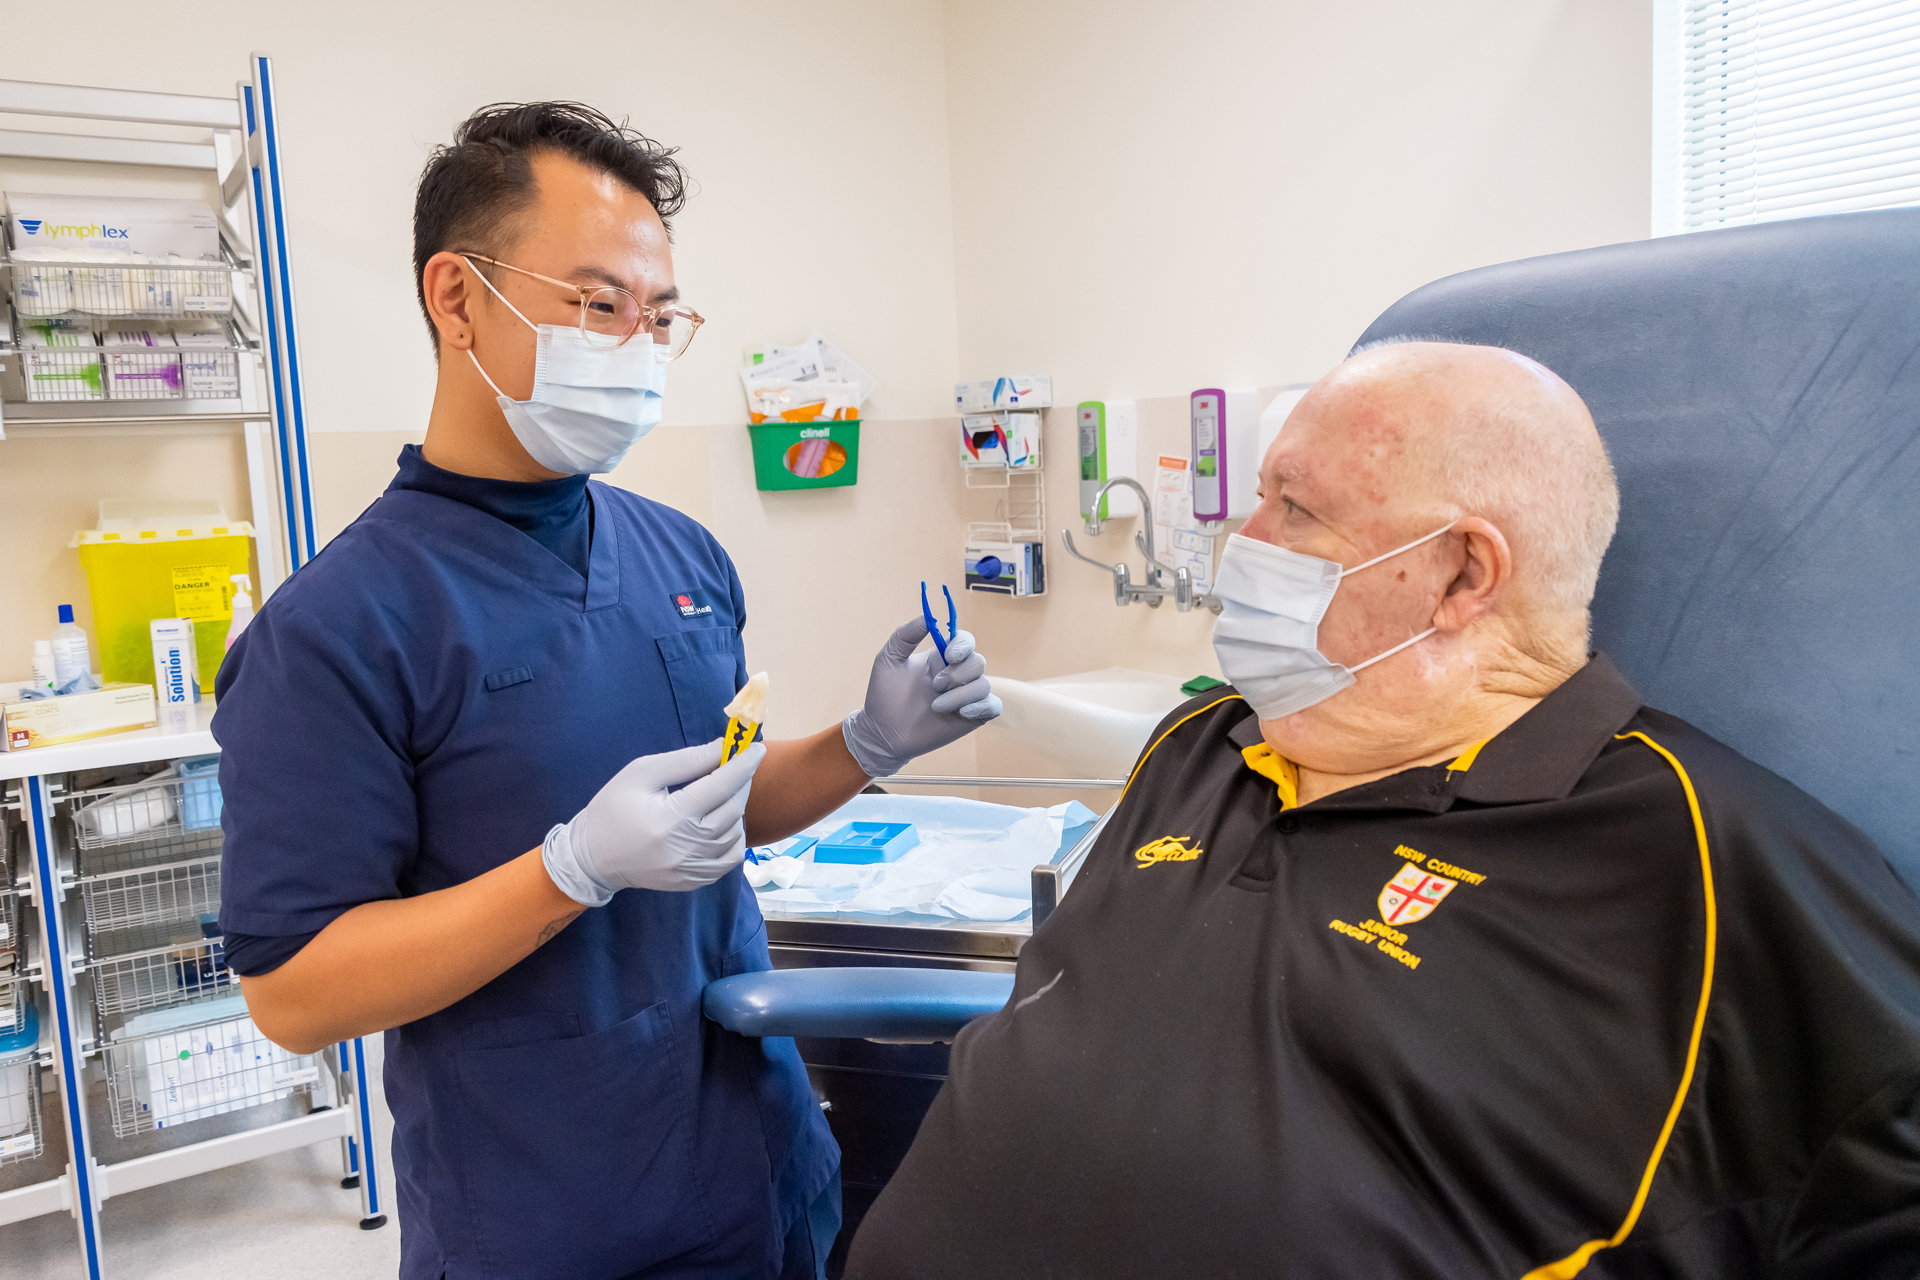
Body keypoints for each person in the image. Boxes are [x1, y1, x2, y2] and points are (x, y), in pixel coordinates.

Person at [846, 341, 1920, 1278]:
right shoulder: (1200, 747)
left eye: (1295, 508)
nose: (1242, 537)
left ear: (1460, 575)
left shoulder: (1704, 850)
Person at [214, 102, 1000, 1280]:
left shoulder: (683, 559)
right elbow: (295, 991)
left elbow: (715, 804)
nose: (635, 343)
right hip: (552, 1217)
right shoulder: (335, 630)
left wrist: (867, 742)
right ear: (456, 294)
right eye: (596, 304)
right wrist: (566, 870)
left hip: (766, 1158)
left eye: (659, 314)